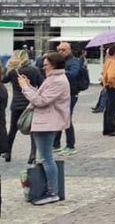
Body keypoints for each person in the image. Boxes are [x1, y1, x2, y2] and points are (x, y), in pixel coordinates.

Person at [19, 52, 71, 205]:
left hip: (47, 123)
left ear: (54, 65)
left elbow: (41, 101)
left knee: (47, 158)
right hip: (45, 122)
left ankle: (52, 192)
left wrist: (25, 88)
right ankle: (49, 190)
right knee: (45, 157)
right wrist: (28, 86)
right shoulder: (53, 78)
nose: (44, 67)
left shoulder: (58, 80)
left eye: (46, 64)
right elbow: (41, 96)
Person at [3, 50, 44, 163]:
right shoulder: (34, 70)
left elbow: (3, 80)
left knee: (12, 130)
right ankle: (32, 155)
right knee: (33, 130)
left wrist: (8, 67)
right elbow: (42, 84)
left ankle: (8, 153)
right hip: (30, 104)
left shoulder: (13, 72)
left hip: (16, 105)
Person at [54, 42, 81, 155]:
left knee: (66, 119)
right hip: (60, 94)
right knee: (59, 118)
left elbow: (73, 74)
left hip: (71, 93)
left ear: (69, 50)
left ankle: (70, 145)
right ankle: (56, 144)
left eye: (63, 50)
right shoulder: (60, 61)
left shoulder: (74, 61)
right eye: (59, 50)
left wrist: (59, 72)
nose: (60, 52)